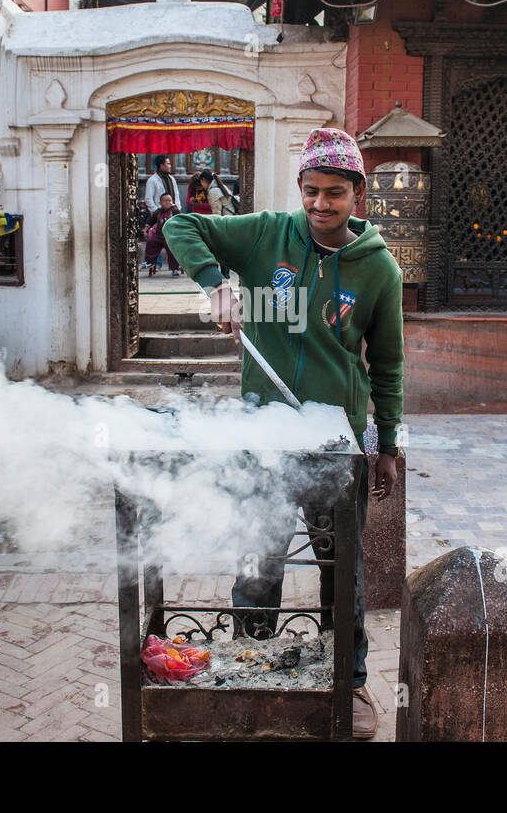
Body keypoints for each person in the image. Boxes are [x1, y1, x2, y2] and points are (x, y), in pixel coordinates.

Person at [163, 127, 404, 740]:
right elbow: (179, 227)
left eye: (336, 194)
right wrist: (215, 283)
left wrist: (387, 446)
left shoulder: (379, 270)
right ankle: (251, 664)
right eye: (313, 192)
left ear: (357, 195)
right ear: (301, 189)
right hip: (263, 434)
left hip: (336, 443)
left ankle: (347, 683)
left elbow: (390, 365)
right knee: (258, 558)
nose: (322, 205)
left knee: (339, 568)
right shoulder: (267, 233)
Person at [142, 192, 181, 277]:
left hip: (171, 236)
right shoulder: (158, 212)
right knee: (151, 242)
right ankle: (149, 262)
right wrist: (145, 230)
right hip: (159, 235)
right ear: (160, 203)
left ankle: (174, 269)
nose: (168, 202)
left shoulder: (174, 211)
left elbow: (182, 220)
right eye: (165, 201)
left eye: (169, 200)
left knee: (173, 250)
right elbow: (150, 222)